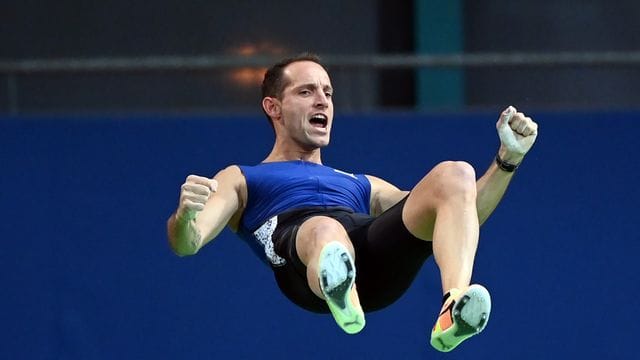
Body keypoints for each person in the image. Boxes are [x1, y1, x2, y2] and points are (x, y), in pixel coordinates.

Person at [166, 53, 538, 352]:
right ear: (273, 107)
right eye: (306, 91)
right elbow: (188, 242)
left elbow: (459, 217)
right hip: (302, 262)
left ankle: (451, 306)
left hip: (372, 261)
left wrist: (507, 160)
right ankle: (335, 285)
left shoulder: (360, 183)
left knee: (456, 175)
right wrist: (185, 215)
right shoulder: (241, 177)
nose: (322, 101)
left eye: (328, 93)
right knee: (326, 230)